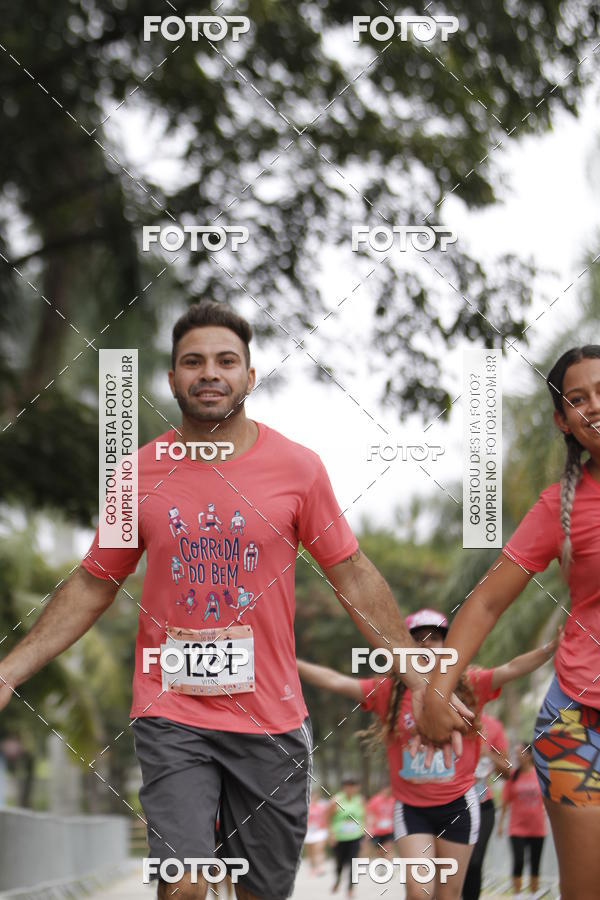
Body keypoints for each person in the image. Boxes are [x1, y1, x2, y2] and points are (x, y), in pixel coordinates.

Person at [0, 300, 467, 900]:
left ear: (250, 376)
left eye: (227, 360)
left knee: (260, 891)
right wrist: (11, 670)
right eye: (192, 362)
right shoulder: (133, 476)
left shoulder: (299, 470)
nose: (209, 373)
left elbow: (350, 575)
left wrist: (420, 676)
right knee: (186, 882)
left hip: (271, 720)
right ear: (172, 380)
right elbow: (94, 581)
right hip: (172, 712)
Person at [419, 346, 600, 900]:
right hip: (576, 723)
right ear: (562, 421)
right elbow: (486, 604)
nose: (595, 406)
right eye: (578, 399)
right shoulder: (558, 508)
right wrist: (435, 692)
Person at [298, 608, 557, 900]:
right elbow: (335, 681)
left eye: (434, 638)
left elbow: (511, 669)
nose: (425, 644)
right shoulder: (389, 691)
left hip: (459, 805)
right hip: (412, 808)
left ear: (447, 646)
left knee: (447, 894)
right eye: (417, 639)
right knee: (420, 892)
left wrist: (550, 648)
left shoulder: (470, 683)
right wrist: (289, 662)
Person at [462, 712, 510, 900]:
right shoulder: (447, 715)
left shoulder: (493, 725)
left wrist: (487, 754)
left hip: (482, 804)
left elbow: (507, 771)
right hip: (450, 805)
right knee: (450, 863)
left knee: (474, 862)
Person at [497, 745, 547, 896]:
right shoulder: (513, 777)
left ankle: (533, 895)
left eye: (521, 753)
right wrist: (500, 824)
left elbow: (548, 799)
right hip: (517, 828)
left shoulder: (540, 775)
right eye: (516, 753)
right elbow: (505, 803)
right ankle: (517, 895)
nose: (518, 756)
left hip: (537, 828)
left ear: (530, 755)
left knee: (535, 864)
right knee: (518, 861)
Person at [328, 775, 365, 897]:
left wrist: (365, 831)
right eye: (348, 786)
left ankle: (350, 888)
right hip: (339, 837)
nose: (351, 789)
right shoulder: (336, 800)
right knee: (340, 863)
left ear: (357, 787)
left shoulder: (360, 800)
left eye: (353, 786)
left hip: (355, 836)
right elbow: (327, 818)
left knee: (354, 862)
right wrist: (331, 834)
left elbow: (365, 816)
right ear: (343, 787)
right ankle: (338, 880)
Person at [365, 784, 395, 857]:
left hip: (389, 831)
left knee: (387, 849)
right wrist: (369, 828)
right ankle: (382, 864)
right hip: (377, 831)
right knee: (380, 852)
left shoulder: (393, 800)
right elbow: (370, 814)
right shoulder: (375, 800)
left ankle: (388, 866)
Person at [304, 787, 329, 875]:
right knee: (310, 851)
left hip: (320, 831)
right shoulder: (306, 806)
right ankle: (313, 867)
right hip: (309, 831)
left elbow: (328, 817)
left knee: (319, 849)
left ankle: (320, 867)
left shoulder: (323, 805)